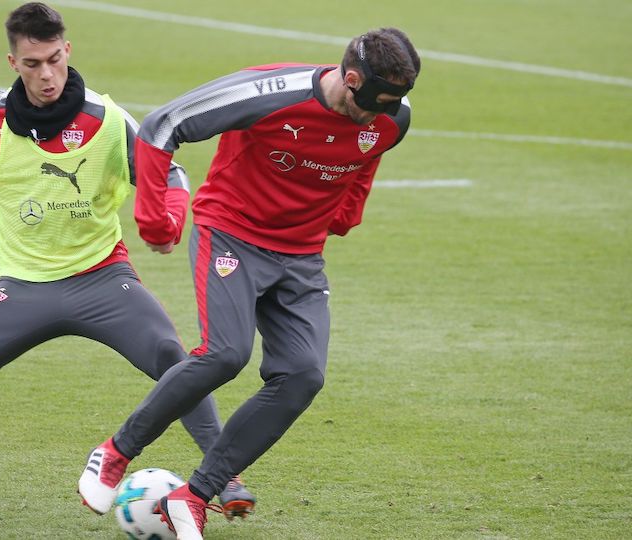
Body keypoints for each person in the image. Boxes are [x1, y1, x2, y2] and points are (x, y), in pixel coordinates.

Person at [0, 2, 255, 522]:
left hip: (104, 281)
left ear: (69, 52)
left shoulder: (109, 120)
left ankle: (226, 478)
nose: (47, 75)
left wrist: (170, 219)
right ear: (12, 62)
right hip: (23, 288)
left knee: (175, 360)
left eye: (55, 60)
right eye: (33, 63)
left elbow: (169, 173)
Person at [78, 28, 421, 538]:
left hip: (301, 255)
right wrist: (153, 218)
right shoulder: (266, 94)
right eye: (374, 103)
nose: (380, 114)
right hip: (232, 236)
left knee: (303, 376)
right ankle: (114, 452)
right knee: (226, 354)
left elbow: (366, 158)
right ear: (351, 80)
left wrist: (347, 213)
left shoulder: (393, 118)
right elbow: (161, 124)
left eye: (393, 104)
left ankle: (192, 497)